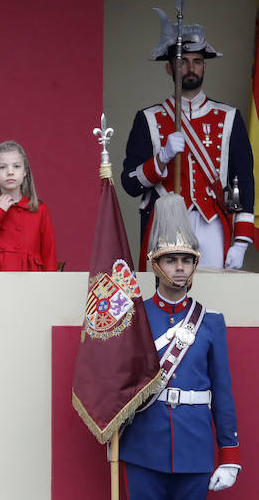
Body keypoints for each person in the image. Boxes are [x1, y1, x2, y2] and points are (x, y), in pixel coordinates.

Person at [119, 194, 241, 499]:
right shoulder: (135, 317)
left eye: (186, 260)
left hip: (195, 447)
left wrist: (229, 453)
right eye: (171, 260)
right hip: (144, 447)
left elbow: (222, 392)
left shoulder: (210, 322)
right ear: (156, 265)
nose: (180, 268)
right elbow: (117, 381)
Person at [121, 10, 254, 270]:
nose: (191, 68)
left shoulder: (229, 117)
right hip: (165, 222)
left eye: (197, 61)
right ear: (169, 67)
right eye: (183, 62)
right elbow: (130, 183)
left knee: (214, 291)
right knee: (164, 289)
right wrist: (161, 158)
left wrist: (241, 240)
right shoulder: (148, 118)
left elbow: (245, 180)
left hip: (212, 222)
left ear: (205, 66)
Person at [0, 140, 57, 271]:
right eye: (2, 167)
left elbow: (49, 255)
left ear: (25, 171)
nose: (10, 172)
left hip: (29, 279)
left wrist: (50, 283)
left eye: (16, 166)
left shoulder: (39, 210)